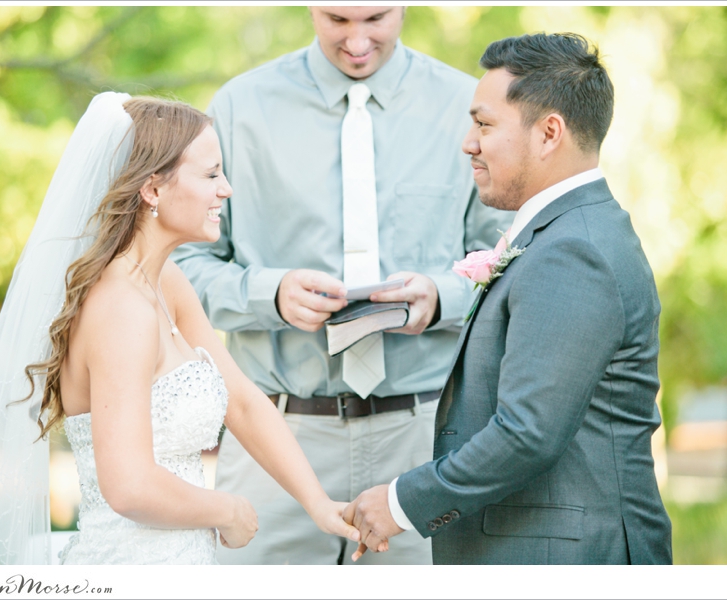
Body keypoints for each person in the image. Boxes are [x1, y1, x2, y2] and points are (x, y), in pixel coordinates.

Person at [0, 92, 358, 565]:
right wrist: (227, 509)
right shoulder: (121, 309)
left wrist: (318, 504)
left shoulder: (167, 283)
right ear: (153, 189)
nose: (227, 190)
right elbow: (130, 486)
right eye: (212, 173)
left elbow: (241, 401)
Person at [172, 6, 511, 565]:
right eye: (337, 18)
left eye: (376, 17)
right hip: (275, 439)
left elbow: (508, 259)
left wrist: (442, 297)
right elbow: (180, 266)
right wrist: (269, 294)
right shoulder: (239, 108)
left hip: (425, 440)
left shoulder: (467, 106)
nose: (357, 41)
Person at [344, 32, 673, 564]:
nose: (468, 143)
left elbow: (527, 435)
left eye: (484, 124)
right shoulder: (566, 232)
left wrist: (402, 503)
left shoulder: (573, 251)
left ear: (549, 134)